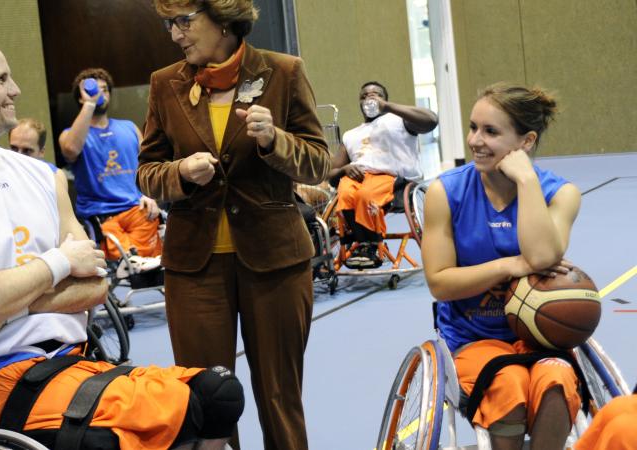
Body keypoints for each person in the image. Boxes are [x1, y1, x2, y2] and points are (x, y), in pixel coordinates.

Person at [0, 38, 243, 450]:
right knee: (168, 420)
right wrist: (59, 262)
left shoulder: (42, 176)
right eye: (1, 79)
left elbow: (97, 286)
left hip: (76, 359)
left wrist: (10, 310)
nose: (15, 89)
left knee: (219, 395)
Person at [138, 2, 330, 448]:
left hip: (276, 263)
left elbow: (318, 163)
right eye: (169, 24)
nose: (174, 34)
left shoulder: (283, 72)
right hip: (195, 269)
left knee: (280, 396)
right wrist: (180, 173)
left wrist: (274, 140)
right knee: (207, 398)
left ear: (222, 19)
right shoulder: (164, 83)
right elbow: (147, 172)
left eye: (184, 21)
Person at [422, 82, 582, 450]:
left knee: (556, 382)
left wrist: (525, 180)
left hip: (541, 334)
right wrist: (510, 265)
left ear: (526, 142)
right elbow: (441, 283)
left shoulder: (560, 194)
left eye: (491, 131)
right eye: (473, 127)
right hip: (473, 337)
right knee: (507, 382)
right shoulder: (445, 193)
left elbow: (541, 258)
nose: (475, 140)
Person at [329, 81, 437, 268]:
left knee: (365, 195)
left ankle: (371, 245)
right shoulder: (350, 135)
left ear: (384, 99)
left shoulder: (399, 121)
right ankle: (359, 242)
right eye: (364, 96)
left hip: (392, 179)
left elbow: (431, 120)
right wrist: (344, 170)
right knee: (345, 192)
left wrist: (387, 107)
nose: (369, 98)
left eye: (376, 94)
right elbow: (331, 175)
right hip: (357, 178)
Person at [59, 68, 162, 262]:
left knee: (149, 264)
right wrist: (90, 103)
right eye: (93, 90)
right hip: (102, 217)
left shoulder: (129, 128)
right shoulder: (70, 135)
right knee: (127, 263)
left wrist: (149, 195)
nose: (100, 94)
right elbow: (71, 149)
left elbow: (147, 165)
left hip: (137, 210)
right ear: (81, 97)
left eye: (104, 89)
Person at [9, 117, 69, 189]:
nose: (18, 156)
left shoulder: (55, 176)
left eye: (27, 151)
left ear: (41, 152)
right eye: (14, 148)